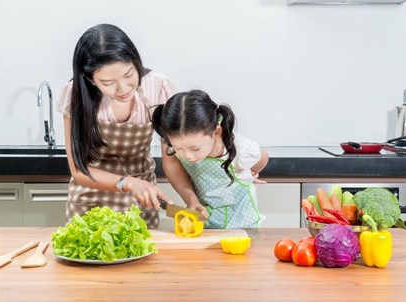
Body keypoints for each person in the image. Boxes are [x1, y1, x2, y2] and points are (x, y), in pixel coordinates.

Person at [56, 23, 177, 228]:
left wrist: (191, 200)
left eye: (129, 75)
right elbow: (79, 170)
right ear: (89, 78)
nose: (123, 89)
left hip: (141, 199)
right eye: (108, 83)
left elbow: (172, 159)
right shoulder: (74, 94)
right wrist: (127, 183)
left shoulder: (158, 87)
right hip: (89, 198)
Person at [152, 89, 269, 229]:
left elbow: (263, 158)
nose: (188, 155)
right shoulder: (172, 138)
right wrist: (192, 201)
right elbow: (172, 165)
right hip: (206, 226)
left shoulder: (241, 148)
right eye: (178, 149)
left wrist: (252, 171)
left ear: (216, 132)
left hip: (244, 227)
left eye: (195, 148)